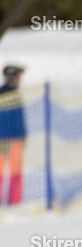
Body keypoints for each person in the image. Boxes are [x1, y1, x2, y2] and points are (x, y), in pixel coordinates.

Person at [0, 65, 27, 206]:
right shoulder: (3, 93)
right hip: (3, 139)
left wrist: (23, 136)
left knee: (16, 172)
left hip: (16, 139)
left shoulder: (16, 93)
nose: (20, 79)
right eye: (18, 76)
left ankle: (14, 201)